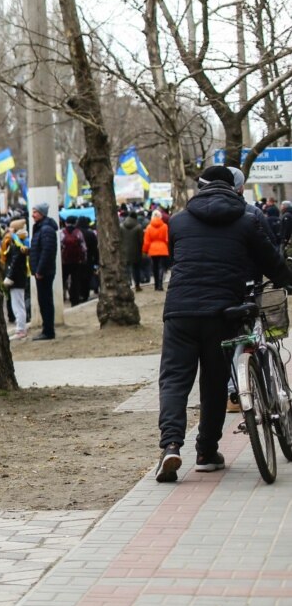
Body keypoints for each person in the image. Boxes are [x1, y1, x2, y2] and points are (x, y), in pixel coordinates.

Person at [155, 166, 292, 482]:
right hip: (223, 313)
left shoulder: (177, 221)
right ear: (235, 188)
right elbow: (272, 262)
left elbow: (180, 259)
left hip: (180, 312)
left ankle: (171, 446)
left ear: (199, 188)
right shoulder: (247, 221)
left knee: (174, 380)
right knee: (214, 384)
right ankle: (206, 452)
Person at [29, 204, 58, 341]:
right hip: (42, 271)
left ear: (42, 213)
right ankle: (47, 329)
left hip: (44, 272)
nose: (32, 214)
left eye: (35, 212)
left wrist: (40, 270)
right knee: (44, 300)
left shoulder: (45, 229)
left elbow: (47, 252)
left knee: (45, 301)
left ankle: (48, 331)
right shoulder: (41, 228)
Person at [2, 220, 32, 341]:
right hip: (20, 277)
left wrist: (9, 276)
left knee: (18, 304)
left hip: (16, 279)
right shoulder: (20, 242)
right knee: (18, 304)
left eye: (11, 228)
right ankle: (20, 328)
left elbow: (14, 263)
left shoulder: (16, 244)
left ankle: (21, 329)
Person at [144, 209, 171, 292]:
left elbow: (146, 241)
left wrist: (145, 250)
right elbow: (167, 239)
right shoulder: (165, 226)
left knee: (155, 267)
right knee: (161, 267)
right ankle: (160, 285)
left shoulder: (149, 227)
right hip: (163, 248)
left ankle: (156, 285)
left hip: (153, 249)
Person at [119, 210, 146, 290]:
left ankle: (127, 285)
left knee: (126, 269)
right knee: (136, 269)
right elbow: (141, 241)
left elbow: (119, 238)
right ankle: (137, 285)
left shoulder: (121, 226)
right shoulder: (139, 227)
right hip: (136, 251)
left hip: (124, 251)